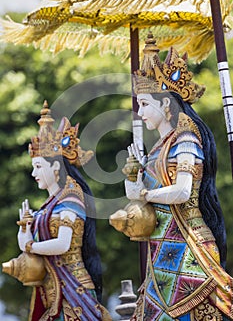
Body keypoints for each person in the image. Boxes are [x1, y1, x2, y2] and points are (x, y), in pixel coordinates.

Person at [111, 33, 233, 320]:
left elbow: (181, 191)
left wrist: (146, 194)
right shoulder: (157, 148)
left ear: (165, 105)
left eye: (144, 104)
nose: (139, 113)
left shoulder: (186, 140)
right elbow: (135, 195)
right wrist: (132, 177)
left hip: (188, 244)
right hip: (162, 244)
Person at [8, 101, 111, 321]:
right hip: (52, 289)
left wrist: (29, 245)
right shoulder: (48, 206)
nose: (34, 173)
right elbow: (26, 245)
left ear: (55, 168)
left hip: (73, 290)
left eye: (38, 167)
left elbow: (63, 244)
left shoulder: (71, 200)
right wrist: (25, 229)